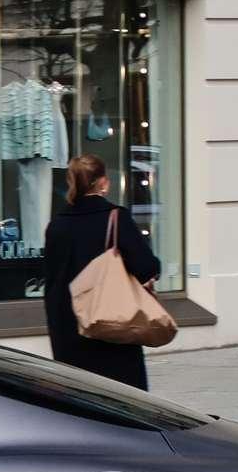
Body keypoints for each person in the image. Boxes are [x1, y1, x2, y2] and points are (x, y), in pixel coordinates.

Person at [42, 152, 162, 390]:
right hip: (111, 328)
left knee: (80, 402)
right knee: (122, 402)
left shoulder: (57, 224)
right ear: (103, 182)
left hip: (67, 329)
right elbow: (147, 267)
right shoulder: (116, 218)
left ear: (71, 181)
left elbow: (52, 278)